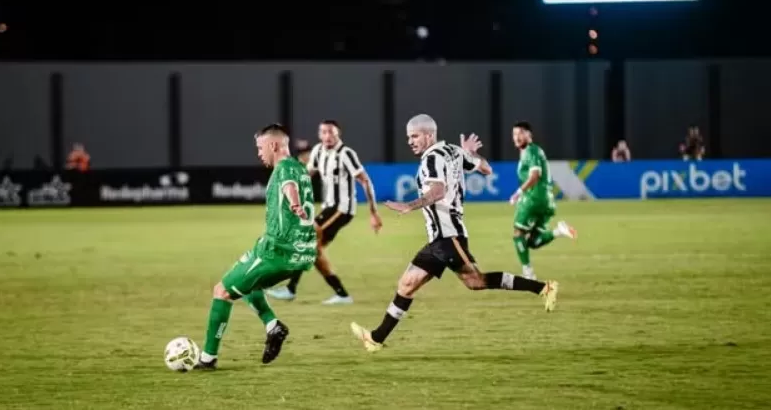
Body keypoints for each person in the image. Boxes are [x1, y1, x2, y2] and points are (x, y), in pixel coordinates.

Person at [350, 114, 559, 353]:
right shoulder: (453, 151)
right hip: (439, 239)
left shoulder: (431, 160)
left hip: (449, 236)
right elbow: (486, 168)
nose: (410, 141)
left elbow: (438, 191)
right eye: (408, 137)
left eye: (415, 136)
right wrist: (470, 153)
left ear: (429, 135)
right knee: (407, 285)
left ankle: (543, 288)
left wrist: (410, 205)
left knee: (476, 281)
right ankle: (376, 339)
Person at [194, 124, 317, 368]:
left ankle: (208, 359)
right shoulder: (298, 167)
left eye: (260, 148)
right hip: (298, 252)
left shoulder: (284, 169)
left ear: (273, 145)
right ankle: (273, 326)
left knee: (222, 291)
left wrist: (294, 204)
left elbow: (288, 186)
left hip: (277, 251)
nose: (259, 153)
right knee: (248, 284)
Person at [267, 120, 382, 305]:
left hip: (342, 209)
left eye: (331, 132)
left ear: (338, 134)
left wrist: (373, 213)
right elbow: (307, 173)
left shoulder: (346, 154)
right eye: (324, 132)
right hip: (328, 207)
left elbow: (365, 181)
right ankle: (341, 294)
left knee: (306, 238)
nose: (327, 136)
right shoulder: (319, 151)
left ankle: (290, 289)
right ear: (319, 135)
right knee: (313, 251)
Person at [509, 121, 577, 280]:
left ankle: (528, 273)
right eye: (514, 134)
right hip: (547, 200)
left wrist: (519, 192)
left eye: (520, 133)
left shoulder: (532, 151)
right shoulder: (530, 152)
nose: (517, 137)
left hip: (534, 198)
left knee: (518, 234)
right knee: (533, 242)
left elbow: (535, 176)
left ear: (529, 135)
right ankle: (559, 231)